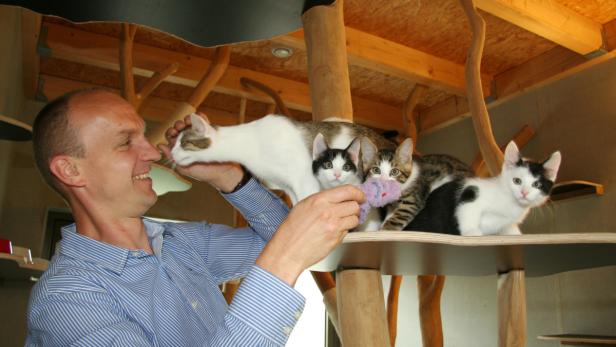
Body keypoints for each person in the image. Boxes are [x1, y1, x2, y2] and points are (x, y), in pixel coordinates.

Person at [26, 88, 364, 346]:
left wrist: (228, 177)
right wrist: (284, 260)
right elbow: (286, 245)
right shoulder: (67, 301)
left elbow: (285, 234)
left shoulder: (180, 243)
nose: (153, 152)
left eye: (144, 135)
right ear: (70, 170)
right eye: (126, 142)